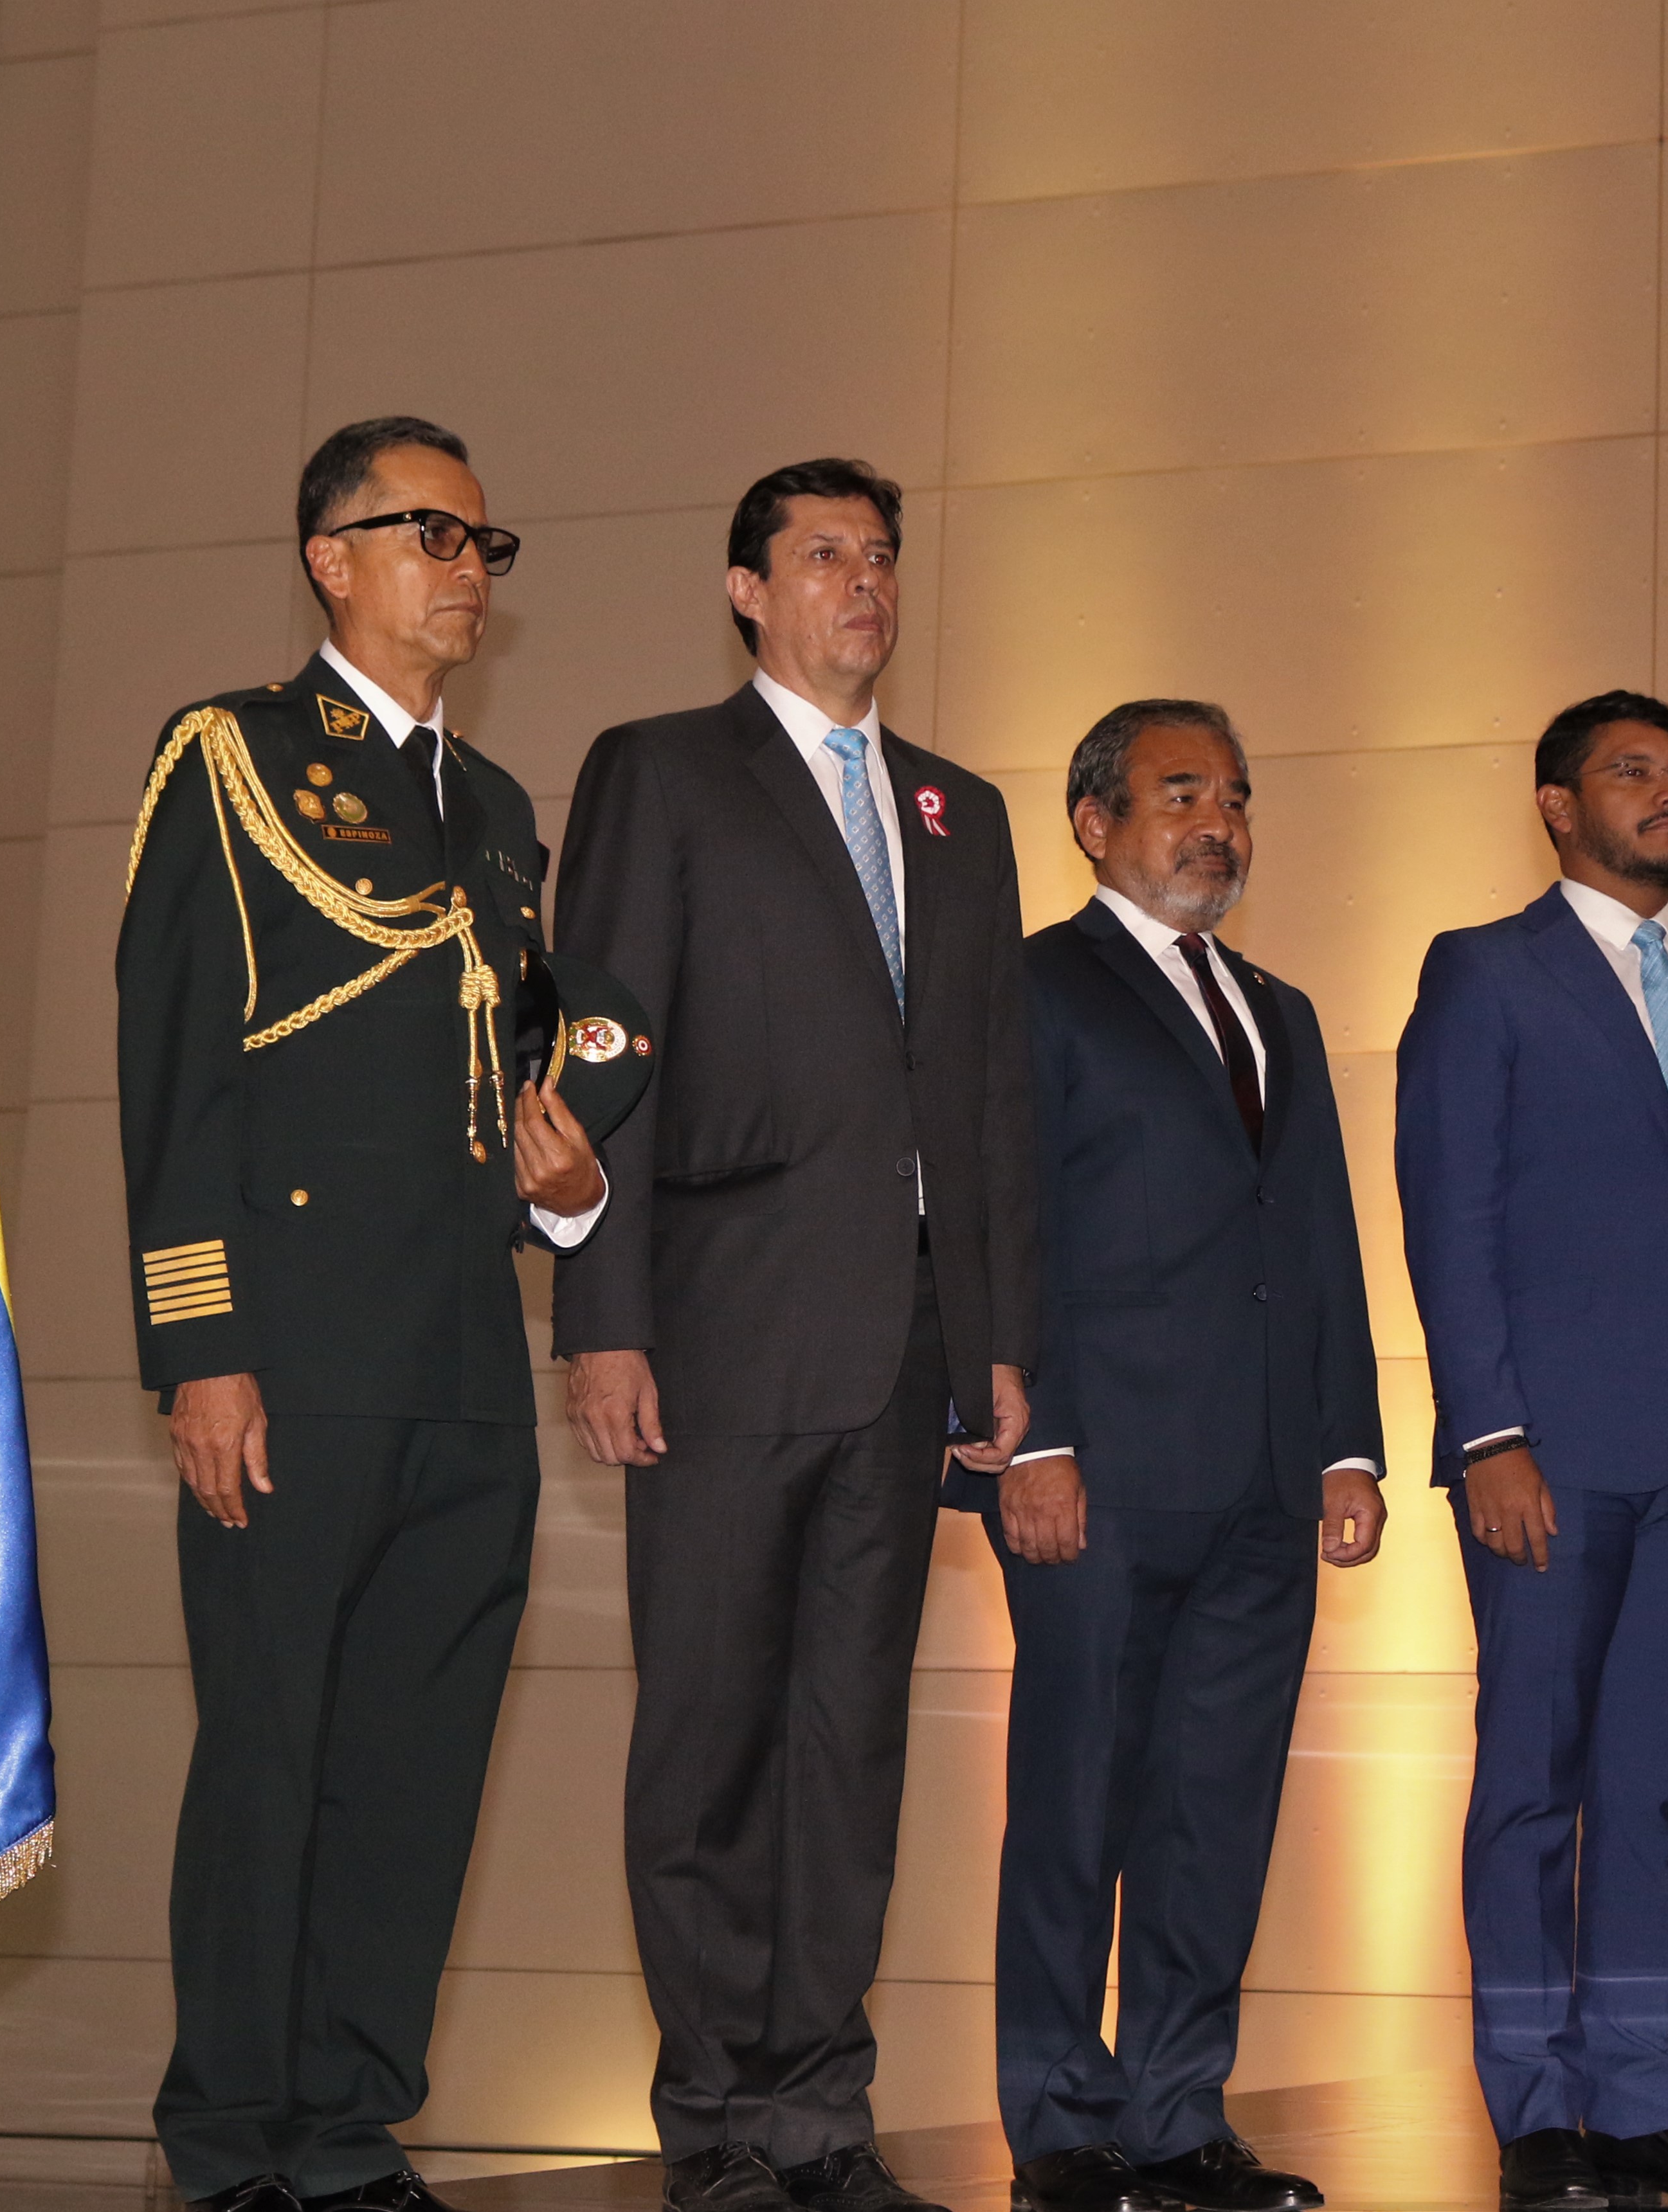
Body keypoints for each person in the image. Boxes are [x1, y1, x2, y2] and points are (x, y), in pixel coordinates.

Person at [118, 417, 607, 2212]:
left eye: (487, 542)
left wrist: (569, 1187)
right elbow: (174, 1070)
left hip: (461, 1355)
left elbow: (526, 1079)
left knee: (413, 1763)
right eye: (430, 534)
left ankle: (346, 2121)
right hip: (293, 1352)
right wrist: (201, 1347)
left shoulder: (491, 815)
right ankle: (233, 2136)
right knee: (272, 1754)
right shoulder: (232, 755)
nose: (468, 567)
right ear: (332, 558)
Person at [552, 459, 1041, 2212]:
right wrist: (600, 1320)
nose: (865, 582)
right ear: (748, 591)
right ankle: (716, 2117)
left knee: (852, 1740)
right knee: (708, 1735)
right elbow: (600, 1049)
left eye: (883, 557)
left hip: (902, 1351)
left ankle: (823, 2112)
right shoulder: (663, 772)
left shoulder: (957, 809)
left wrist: (992, 1341)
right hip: (717, 1328)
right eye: (827, 555)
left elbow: (984, 1092)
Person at [1394, 692, 1668, 2212]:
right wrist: (1488, 1429)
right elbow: (1449, 1217)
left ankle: (1641, 2096)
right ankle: (1534, 2106)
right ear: (1555, 805)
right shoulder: (1484, 973)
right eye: (1629, 772)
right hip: (1550, 1450)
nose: (1664, 793)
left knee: (1647, 1790)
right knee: (1533, 1778)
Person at [974, 702, 1388, 2212]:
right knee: (1078, 1801)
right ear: (1092, 823)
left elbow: (1322, 1244)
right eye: (1179, 793)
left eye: (1234, 795)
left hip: (1268, 1479)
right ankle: (1062, 2122)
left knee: (1216, 1808)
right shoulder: (1030, 984)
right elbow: (1000, 1222)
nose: (1216, 821)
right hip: (1100, 1466)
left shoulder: (1275, 1006)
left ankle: (1177, 2112)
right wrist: (1041, 1434)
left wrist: (1347, 1442)